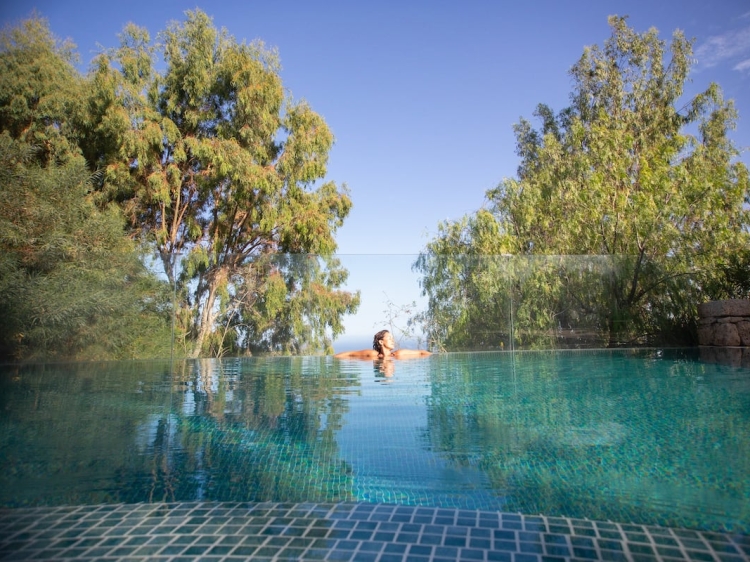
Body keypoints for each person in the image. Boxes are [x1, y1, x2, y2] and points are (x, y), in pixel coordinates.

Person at [334, 329, 431, 359]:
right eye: (389, 338)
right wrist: (333, 357)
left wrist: (434, 355)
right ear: (381, 342)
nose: (393, 341)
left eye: (393, 338)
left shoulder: (398, 354)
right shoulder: (373, 354)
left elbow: (421, 353)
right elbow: (350, 354)